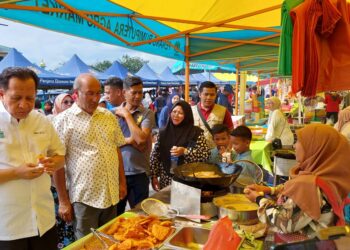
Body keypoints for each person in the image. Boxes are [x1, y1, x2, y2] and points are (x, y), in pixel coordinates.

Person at [53, 73, 126, 239]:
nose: (95, 98)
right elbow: (57, 163)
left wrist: (122, 182)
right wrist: (64, 201)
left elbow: (116, 150)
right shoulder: (62, 121)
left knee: (112, 239)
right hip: (85, 197)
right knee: (87, 243)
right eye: (89, 93)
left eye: (98, 93)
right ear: (75, 94)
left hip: (111, 192)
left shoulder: (108, 116)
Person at [0, 67, 65, 249]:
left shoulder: (41, 120)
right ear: (2, 94)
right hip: (7, 226)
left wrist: (53, 162)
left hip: (43, 221)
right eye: (16, 98)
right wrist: (16, 172)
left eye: (30, 98)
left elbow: (60, 155)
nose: (24, 105)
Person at [244, 124, 350, 236]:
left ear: (314, 148)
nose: (294, 146)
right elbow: (293, 191)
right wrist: (269, 190)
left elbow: (282, 222)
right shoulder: (326, 175)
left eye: (299, 142)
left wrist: (258, 199)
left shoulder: (309, 185)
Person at [115, 76, 155, 214]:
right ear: (124, 92)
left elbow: (141, 140)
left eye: (140, 92)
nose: (138, 96)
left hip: (140, 173)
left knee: (141, 214)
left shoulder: (147, 113)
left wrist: (127, 115)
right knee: (116, 215)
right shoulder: (112, 113)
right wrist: (130, 140)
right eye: (134, 92)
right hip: (117, 173)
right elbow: (110, 142)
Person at [150, 100, 210, 190]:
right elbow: (155, 155)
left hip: (190, 180)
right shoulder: (163, 132)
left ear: (187, 116)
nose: (176, 115)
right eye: (174, 112)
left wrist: (185, 151)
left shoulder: (195, 132)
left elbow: (205, 154)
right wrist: (154, 176)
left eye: (181, 113)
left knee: (188, 203)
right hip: (167, 179)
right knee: (168, 202)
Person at [48, 93, 75, 248]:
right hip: (56, 186)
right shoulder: (49, 124)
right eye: (65, 102)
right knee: (60, 222)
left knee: (72, 224)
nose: (69, 104)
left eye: (71, 101)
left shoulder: (74, 124)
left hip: (73, 185)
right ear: (57, 105)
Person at [192, 81, 234, 149]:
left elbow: (231, 133)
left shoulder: (223, 111)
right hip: (196, 154)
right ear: (200, 94)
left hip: (217, 154)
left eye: (212, 95)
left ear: (215, 95)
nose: (209, 97)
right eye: (206, 94)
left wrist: (227, 151)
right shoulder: (191, 111)